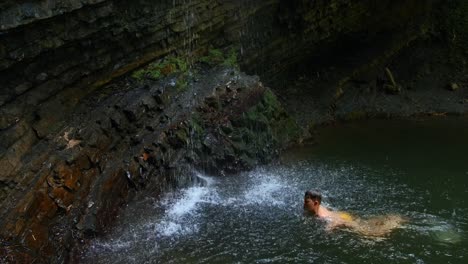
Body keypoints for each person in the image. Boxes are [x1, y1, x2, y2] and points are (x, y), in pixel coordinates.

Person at [304, 190, 405, 237]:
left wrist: (329, 228)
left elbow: (337, 221)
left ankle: (395, 222)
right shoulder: (318, 206)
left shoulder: (321, 215)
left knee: (371, 234)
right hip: (342, 214)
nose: (304, 203)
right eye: (305, 200)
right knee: (364, 223)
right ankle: (383, 220)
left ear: (316, 203)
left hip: (343, 218)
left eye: (306, 202)